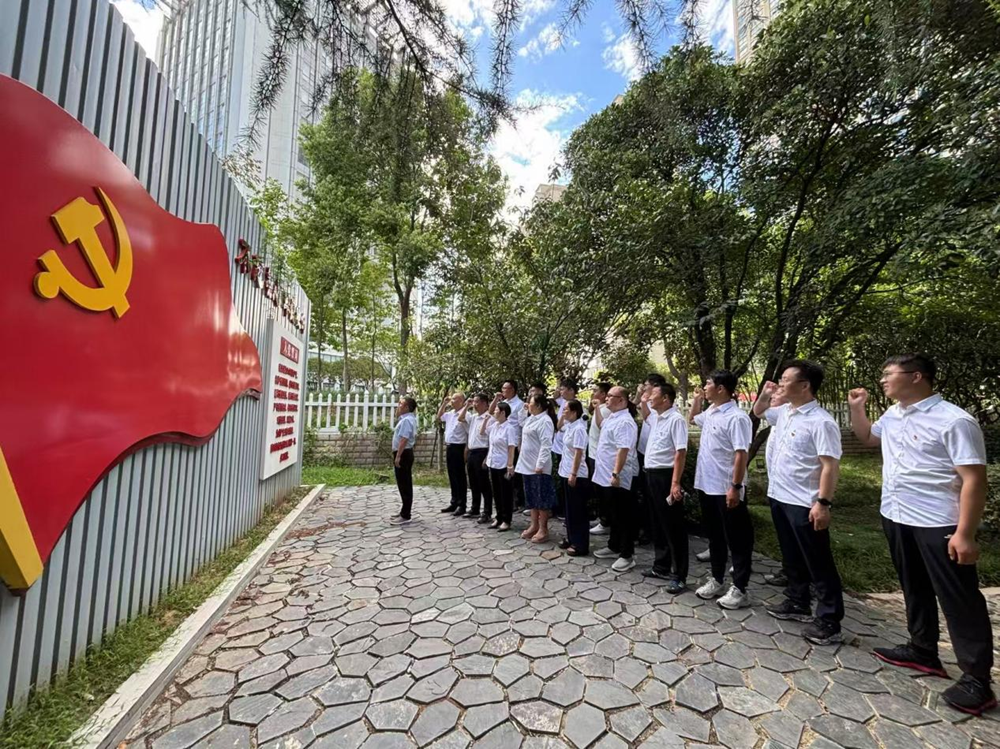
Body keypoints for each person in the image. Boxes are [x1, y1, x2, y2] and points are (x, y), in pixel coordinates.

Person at [849, 354, 995, 715]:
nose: (883, 380)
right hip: (897, 515)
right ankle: (923, 649)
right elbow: (867, 438)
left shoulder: (954, 420)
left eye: (889, 374)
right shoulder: (893, 414)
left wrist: (965, 533)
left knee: (958, 597)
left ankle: (977, 679)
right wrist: (857, 408)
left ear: (917, 376)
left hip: (939, 522)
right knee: (913, 585)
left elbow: (975, 480)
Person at [754, 360, 845, 645]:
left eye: (785, 380)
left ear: (804, 385)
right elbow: (758, 411)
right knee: (791, 555)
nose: (780, 384)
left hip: (805, 501)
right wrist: (766, 393)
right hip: (780, 495)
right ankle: (797, 600)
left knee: (818, 561)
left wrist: (823, 503)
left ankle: (829, 620)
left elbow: (830, 466)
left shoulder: (821, 422)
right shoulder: (786, 412)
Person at [689, 370, 754, 610]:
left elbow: (741, 454)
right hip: (706, 485)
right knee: (715, 536)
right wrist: (697, 399)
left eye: (708, 383)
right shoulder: (711, 413)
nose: (704, 387)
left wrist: (735, 487)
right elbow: (692, 418)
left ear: (721, 388)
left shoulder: (737, 418)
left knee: (737, 539)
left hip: (726, 488)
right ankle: (717, 579)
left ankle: (740, 588)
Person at [642, 382, 689, 593]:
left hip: (666, 476)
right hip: (652, 474)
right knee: (658, 523)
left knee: (673, 526)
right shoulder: (656, 418)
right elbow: (644, 410)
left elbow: (680, 452)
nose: (650, 397)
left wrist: (675, 482)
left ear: (665, 398)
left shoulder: (676, 419)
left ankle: (679, 575)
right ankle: (661, 566)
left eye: (654, 394)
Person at [592, 386, 641, 572]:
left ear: (622, 400)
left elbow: (623, 449)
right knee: (613, 513)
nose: (607, 398)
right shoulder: (612, 417)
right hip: (605, 475)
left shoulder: (625, 422)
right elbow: (600, 425)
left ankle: (627, 555)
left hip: (618, 477)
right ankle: (614, 546)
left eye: (611, 396)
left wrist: (616, 473)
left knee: (623, 516)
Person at [516, 393, 558, 543]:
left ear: (539, 405)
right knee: (532, 497)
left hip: (538, 466)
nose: (529, 405)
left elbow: (546, 444)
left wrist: (540, 464)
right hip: (526, 465)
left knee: (542, 499)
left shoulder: (545, 421)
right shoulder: (531, 419)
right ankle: (534, 525)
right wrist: (523, 409)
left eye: (531, 403)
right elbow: (521, 422)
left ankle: (543, 529)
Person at [636, 373, 667, 545]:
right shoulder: (649, 402)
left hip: (658, 460)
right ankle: (648, 528)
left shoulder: (661, 407)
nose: (644, 387)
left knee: (654, 496)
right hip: (645, 453)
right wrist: (641, 397)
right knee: (645, 494)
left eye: (646, 385)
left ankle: (655, 532)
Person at [558, 400, 591, 556]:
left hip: (576, 474)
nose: (563, 412)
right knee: (569, 509)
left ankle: (580, 544)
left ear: (574, 412)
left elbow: (578, 452)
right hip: (565, 471)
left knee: (578, 510)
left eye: (566, 410)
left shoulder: (579, 429)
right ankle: (571, 538)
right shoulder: (570, 426)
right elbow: (558, 427)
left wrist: (574, 473)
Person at [482, 402, 517, 530]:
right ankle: (499, 517)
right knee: (496, 492)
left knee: (505, 493)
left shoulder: (509, 428)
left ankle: (506, 520)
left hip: (503, 464)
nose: (494, 412)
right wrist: (486, 420)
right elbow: (482, 432)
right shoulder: (494, 426)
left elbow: (511, 447)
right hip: (493, 463)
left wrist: (510, 465)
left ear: (503, 412)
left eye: (496, 410)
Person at [460, 392, 494, 522]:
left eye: (477, 402)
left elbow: (491, 439)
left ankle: (487, 511)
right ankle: (475, 508)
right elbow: (461, 418)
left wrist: (487, 456)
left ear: (485, 403)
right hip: (472, 451)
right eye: (473, 402)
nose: (474, 404)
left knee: (484, 483)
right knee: (473, 482)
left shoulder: (489, 418)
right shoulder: (474, 417)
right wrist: (466, 406)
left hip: (482, 451)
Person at [491, 380, 525, 507]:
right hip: (500, 441)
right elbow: (491, 412)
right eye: (503, 388)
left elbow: (521, 424)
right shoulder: (502, 403)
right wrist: (496, 399)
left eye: (506, 388)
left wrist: (519, 443)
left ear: (513, 389)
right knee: (501, 475)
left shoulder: (519, 404)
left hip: (512, 441)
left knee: (512, 473)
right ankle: (503, 501)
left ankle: (516, 501)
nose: (504, 391)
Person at [437, 392, 469, 515]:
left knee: (460, 476)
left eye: (455, 398)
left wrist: (466, 448)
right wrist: (444, 403)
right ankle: (454, 501)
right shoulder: (450, 414)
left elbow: (468, 432)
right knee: (452, 475)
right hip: (450, 446)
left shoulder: (465, 414)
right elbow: (439, 417)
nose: (452, 400)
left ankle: (462, 504)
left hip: (459, 447)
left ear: (461, 401)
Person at [588, 382, 613, 537]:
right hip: (594, 454)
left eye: (596, 391)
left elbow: (600, 426)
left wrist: (597, 408)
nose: (593, 393)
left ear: (603, 394)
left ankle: (606, 522)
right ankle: (602, 518)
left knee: (603, 491)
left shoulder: (605, 411)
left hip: (600, 456)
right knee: (598, 490)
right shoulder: (601, 408)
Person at [390, 396, 419, 526]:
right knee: (403, 483)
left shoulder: (407, 420)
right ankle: (404, 510)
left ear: (407, 407)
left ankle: (406, 514)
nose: (398, 405)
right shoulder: (405, 419)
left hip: (404, 453)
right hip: (404, 453)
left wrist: (398, 456)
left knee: (404, 484)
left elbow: (404, 439)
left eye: (401, 404)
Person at [552, 378, 577, 517]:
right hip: (559, 446)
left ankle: (567, 512)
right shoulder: (563, 402)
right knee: (561, 479)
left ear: (571, 390)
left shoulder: (575, 406)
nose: (560, 392)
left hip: (568, 448)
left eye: (563, 389)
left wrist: (561, 427)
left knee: (567, 480)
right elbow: (555, 396)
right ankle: (562, 509)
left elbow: (566, 427)